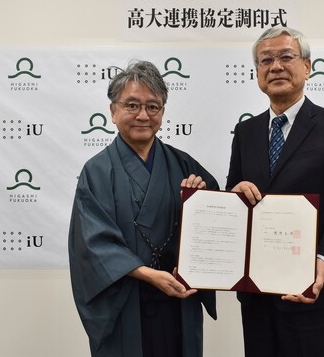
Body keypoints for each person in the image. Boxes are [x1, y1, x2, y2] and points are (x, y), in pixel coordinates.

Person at [226, 26, 324, 357]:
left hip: (311, 292)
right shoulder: (245, 132)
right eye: (266, 60)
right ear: (257, 71)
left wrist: (322, 262)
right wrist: (235, 193)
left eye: (286, 56)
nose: (275, 66)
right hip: (256, 295)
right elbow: (235, 196)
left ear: (307, 66)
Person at [68, 60, 218, 357]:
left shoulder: (183, 164)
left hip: (178, 300)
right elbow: (93, 244)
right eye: (132, 105)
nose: (143, 115)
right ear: (113, 111)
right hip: (125, 303)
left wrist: (200, 201)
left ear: (162, 112)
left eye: (153, 107)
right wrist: (148, 274)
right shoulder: (96, 171)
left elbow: (218, 223)